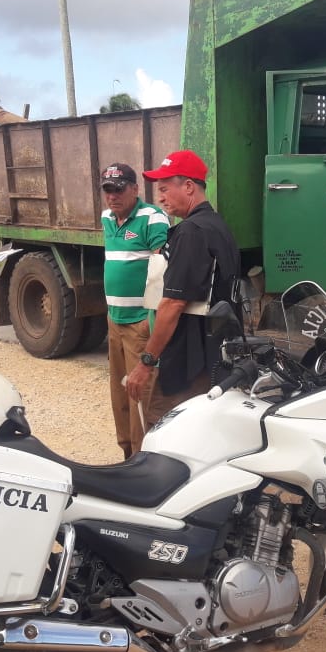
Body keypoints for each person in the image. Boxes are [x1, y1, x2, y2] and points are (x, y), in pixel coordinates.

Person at [125, 150, 240, 422]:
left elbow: (174, 303)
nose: (160, 197)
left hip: (190, 364)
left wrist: (145, 363)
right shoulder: (218, 225)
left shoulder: (191, 232)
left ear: (188, 186)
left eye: (165, 189)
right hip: (215, 353)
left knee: (166, 432)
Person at [100, 163, 169, 458]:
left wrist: (149, 319)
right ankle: (126, 454)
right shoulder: (106, 218)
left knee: (140, 396)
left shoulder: (152, 218)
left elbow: (161, 271)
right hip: (114, 320)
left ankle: (142, 461)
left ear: (134, 189)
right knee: (119, 395)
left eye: (118, 189)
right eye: (107, 190)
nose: (112, 196)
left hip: (138, 323)